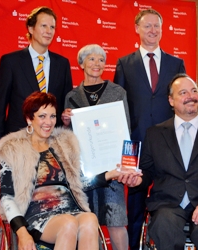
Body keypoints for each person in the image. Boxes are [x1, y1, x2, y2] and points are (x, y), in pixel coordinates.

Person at [0, 91, 141, 250]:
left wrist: (111, 174)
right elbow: (7, 197)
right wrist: (22, 232)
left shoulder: (64, 144)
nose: (48, 122)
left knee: (90, 218)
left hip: (71, 209)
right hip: (37, 216)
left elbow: (79, 183)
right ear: (29, 119)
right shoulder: (12, 149)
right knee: (68, 223)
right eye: (42, 116)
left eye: (52, 116)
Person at [121, 73, 198, 250]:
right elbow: (147, 172)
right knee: (165, 227)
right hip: (168, 204)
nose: (190, 96)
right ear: (171, 101)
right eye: (183, 92)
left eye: (194, 91)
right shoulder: (155, 134)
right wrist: (138, 179)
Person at [113, 8, 186, 249]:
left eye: (157, 26)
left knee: (170, 196)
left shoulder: (177, 63)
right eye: (147, 26)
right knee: (134, 203)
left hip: (169, 142)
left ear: (162, 29)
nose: (152, 30)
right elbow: (117, 107)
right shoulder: (124, 63)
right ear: (137, 29)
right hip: (135, 144)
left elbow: (184, 102)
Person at [61, 44, 131, 250]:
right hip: (85, 170)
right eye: (91, 59)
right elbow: (68, 136)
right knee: (87, 223)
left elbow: (124, 128)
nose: (97, 64)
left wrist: (125, 164)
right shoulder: (71, 96)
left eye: (101, 60)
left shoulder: (118, 92)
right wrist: (65, 122)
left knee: (116, 220)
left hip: (112, 166)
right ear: (81, 64)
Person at [0, 6, 73, 149]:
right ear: (30, 28)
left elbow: (66, 106)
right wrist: (0, 147)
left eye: (52, 27)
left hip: (53, 144)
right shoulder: (11, 62)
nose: (49, 31)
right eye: (43, 26)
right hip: (19, 143)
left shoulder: (62, 64)